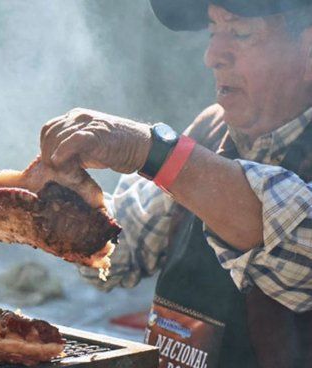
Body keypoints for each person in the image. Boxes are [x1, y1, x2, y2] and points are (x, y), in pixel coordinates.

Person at [39, 1, 312, 367]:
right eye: (214, 32)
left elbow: (297, 251)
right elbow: (118, 254)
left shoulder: (181, 157)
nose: (213, 56)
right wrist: (50, 199)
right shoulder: (209, 131)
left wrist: (147, 149)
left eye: (242, 33)